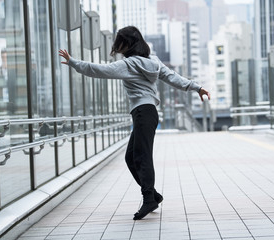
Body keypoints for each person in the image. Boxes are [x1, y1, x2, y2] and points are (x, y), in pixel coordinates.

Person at [59, 26, 210, 220]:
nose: (116, 45)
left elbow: (99, 70)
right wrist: (196, 88)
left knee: (141, 156)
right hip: (149, 112)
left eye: (119, 41)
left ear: (127, 43)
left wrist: (73, 63)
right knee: (131, 157)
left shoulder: (128, 64)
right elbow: (173, 77)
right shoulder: (153, 62)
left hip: (142, 112)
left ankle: (149, 199)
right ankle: (153, 194)